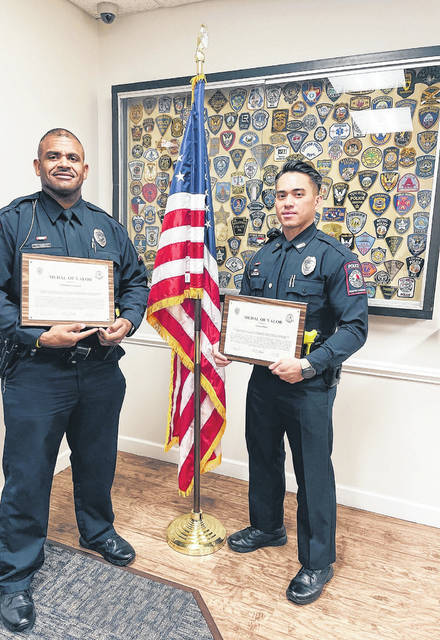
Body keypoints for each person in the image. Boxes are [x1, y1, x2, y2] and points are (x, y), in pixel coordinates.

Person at [0, 129, 149, 632]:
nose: (64, 164)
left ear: (85, 170)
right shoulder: (11, 223)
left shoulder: (107, 228)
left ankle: (97, 531)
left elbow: (136, 282)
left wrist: (127, 321)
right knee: (29, 472)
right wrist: (35, 334)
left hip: (99, 369)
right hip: (36, 371)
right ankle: (16, 575)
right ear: (38, 165)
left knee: (97, 459)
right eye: (54, 156)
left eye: (73, 158)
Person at [214, 159, 368, 605]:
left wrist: (310, 365)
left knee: (313, 472)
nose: (287, 202)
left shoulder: (337, 259)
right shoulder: (262, 256)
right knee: (262, 455)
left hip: (308, 385)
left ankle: (318, 560)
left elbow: (354, 328)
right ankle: (267, 526)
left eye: (297, 194)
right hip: (264, 383)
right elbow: (247, 317)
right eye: (281, 195)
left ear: (317, 200)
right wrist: (232, 345)